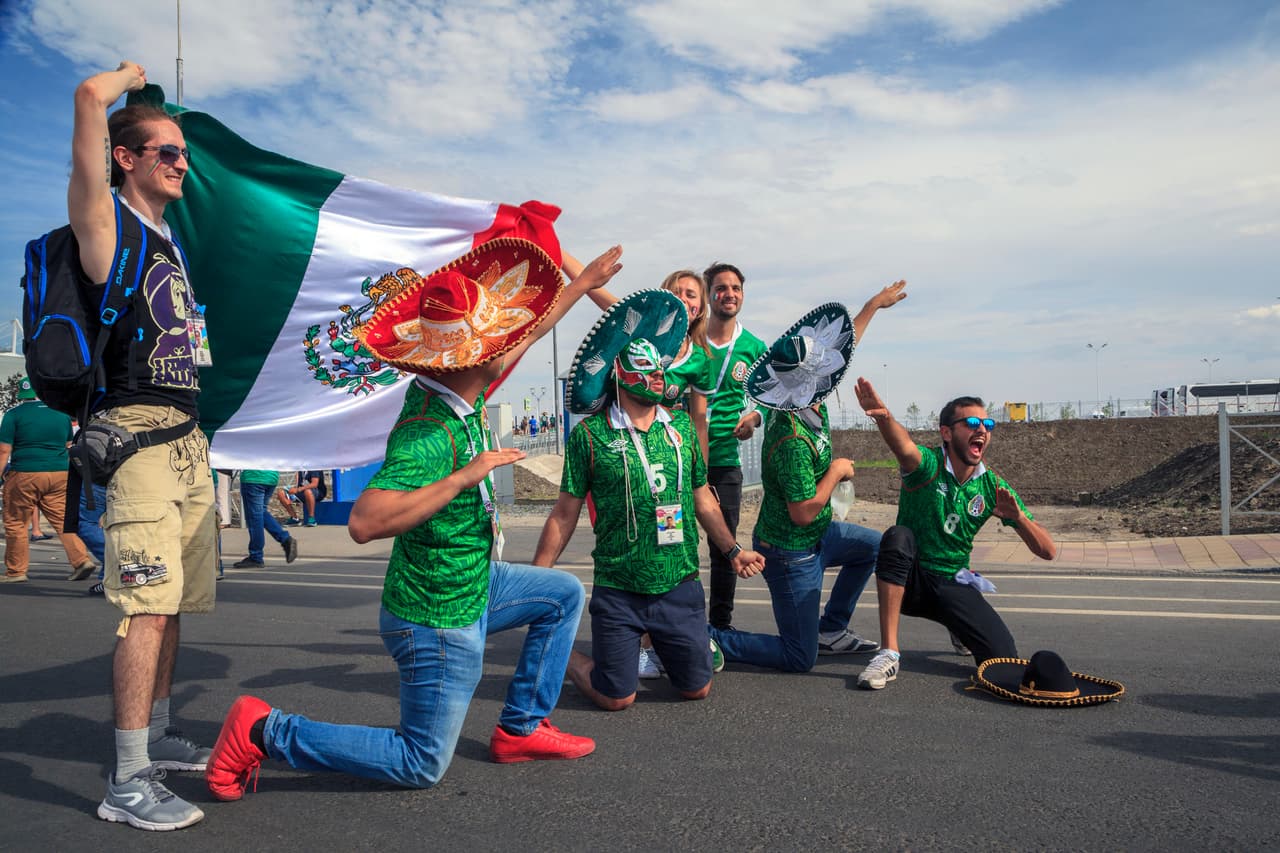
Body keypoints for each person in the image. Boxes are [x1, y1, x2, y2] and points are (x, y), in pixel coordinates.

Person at [204, 238, 622, 800]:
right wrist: (461, 479)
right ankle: (263, 729)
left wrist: (581, 283)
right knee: (420, 763)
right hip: (436, 617)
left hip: (472, 584)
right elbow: (364, 522)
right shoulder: (427, 435)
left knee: (562, 595)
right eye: (498, 340)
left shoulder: (461, 388)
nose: (510, 345)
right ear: (475, 359)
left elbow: (530, 331)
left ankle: (520, 727)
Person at [70, 62, 218, 831]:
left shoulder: (170, 241)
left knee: (177, 605)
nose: (182, 163)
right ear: (125, 159)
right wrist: (120, 84)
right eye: (168, 152)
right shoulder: (108, 225)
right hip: (137, 440)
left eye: (185, 153)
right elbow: (90, 111)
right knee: (146, 609)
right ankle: (126, 781)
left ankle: (155, 738)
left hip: (186, 439)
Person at [539, 289, 765, 711]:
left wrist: (732, 550)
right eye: (645, 369)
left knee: (696, 689)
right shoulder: (590, 437)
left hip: (678, 584)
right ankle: (557, 652)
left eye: (660, 369)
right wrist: (537, 578)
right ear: (619, 376)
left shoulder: (679, 427)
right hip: (619, 588)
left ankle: (669, 646)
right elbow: (564, 512)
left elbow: (703, 498)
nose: (658, 376)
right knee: (616, 697)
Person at [708, 286, 906, 672]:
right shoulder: (792, 442)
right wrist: (836, 471)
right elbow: (802, 511)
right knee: (799, 657)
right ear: (804, 383)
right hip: (789, 551)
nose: (829, 374)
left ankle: (831, 628)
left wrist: (871, 307)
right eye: (819, 372)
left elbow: (844, 348)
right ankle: (711, 637)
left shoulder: (809, 404)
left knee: (876, 548)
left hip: (818, 533)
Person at [852, 378, 1057, 690]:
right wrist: (883, 417)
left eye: (987, 423)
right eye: (972, 422)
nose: (982, 429)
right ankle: (889, 653)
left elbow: (1048, 551)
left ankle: (957, 624)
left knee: (1002, 662)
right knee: (897, 537)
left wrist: (1018, 519)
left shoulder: (992, 487)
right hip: (912, 581)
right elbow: (903, 446)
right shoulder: (929, 465)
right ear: (946, 432)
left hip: (953, 581)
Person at [700, 261, 767, 631]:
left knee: (723, 546)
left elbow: (770, 400)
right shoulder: (689, 339)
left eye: (736, 288)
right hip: (684, 456)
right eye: (722, 288)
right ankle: (676, 625)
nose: (729, 294)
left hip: (725, 461)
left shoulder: (754, 347)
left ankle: (719, 627)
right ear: (709, 294)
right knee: (672, 543)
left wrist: (754, 419)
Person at [0, 377, 98, 584]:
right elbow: (69, 444)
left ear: (23, 395)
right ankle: (81, 560)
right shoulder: (61, 415)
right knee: (63, 520)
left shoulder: (14, 415)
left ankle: (16, 571)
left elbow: (3, 450)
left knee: (16, 522)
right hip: (59, 473)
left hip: (25, 472)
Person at [234, 471, 298, 567]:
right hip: (271, 477)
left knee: (254, 518)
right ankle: (284, 539)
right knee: (260, 512)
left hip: (253, 476)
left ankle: (256, 556)